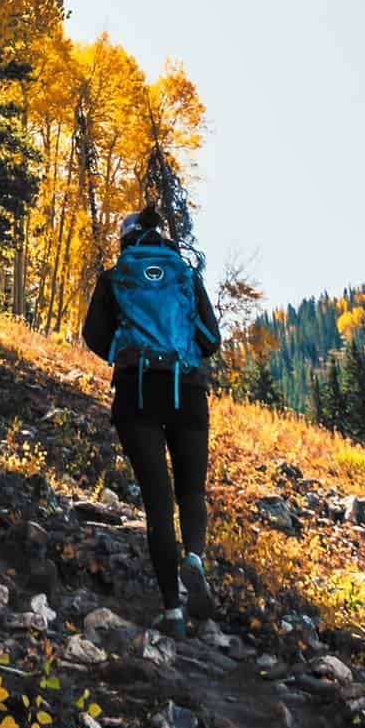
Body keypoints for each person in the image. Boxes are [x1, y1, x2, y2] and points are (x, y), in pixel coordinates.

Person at [81, 205, 221, 638]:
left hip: (138, 393)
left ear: (126, 240)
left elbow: (92, 335)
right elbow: (211, 339)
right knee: (191, 491)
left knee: (159, 504)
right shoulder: (184, 272)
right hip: (188, 391)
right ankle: (194, 558)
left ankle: (172, 611)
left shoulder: (114, 277)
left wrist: (122, 356)